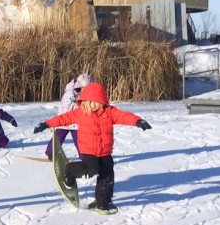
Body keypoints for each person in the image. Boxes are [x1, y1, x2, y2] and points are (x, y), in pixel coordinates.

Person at [33, 82, 151, 212]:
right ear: (84, 100)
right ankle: (70, 170)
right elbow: (63, 119)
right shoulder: (80, 113)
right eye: (91, 101)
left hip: (105, 151)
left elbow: (124, 116)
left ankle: (102, 203)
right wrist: (46, 124)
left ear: (102, 101)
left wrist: (138, 121)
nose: (94, 104)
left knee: (107, 177)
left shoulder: (109, 112)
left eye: (97, 101)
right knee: (91, 169)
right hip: (88, 150)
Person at [44, 73, 94, 160]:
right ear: (79, 86)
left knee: (79, 140)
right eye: (85, 89)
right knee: (58, 138)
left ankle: (84, 157)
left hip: (77, 123)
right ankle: (50, 153)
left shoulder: (85, 95)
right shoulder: (70, 93)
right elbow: (67, 105)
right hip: (65, 121)